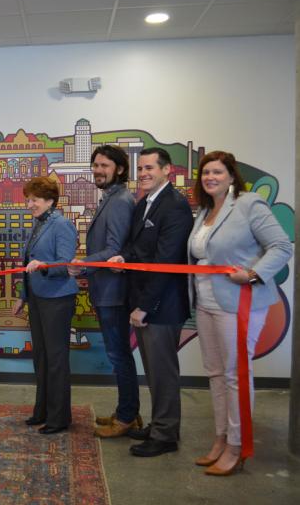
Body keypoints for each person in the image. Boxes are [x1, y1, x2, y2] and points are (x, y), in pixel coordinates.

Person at [187, 151, 291, 476]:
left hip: (239, 303)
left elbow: (282, 246)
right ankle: (220, 439)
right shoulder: (204, 211)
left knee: (235, 375)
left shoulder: (247, 205)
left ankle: (237, 445)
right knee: (216, 374)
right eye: (206, 173)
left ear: (232, 176)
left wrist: (253, 273)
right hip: (205, 302)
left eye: (217, 172)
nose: (210, 178)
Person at [108, 147, 193, 457]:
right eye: (140, 168)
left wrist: (144, 306)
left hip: (161, 305)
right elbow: (139, 249)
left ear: (166, 170)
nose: (143, 173)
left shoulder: (175, 206)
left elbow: (165, 262)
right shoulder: (146, 202)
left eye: (149, 168)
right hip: (147, 302)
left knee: (163, 372)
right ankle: (160, 424)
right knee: (154, 371)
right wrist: (123, 257)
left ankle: (165, 435)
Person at [68, 145, 141, 438]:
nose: (97, 170)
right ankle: (127, 412)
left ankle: (126, 417)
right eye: (95, 165)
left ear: (120, 169)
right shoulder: (110, 198)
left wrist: (82, 264)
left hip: (113, 291)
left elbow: (114, 250)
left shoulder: (121, 200)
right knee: (118, 354)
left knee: (118, 354)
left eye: (104, 165)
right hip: (105, 289)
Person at [12, 177, 78, 434]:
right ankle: (42, 410)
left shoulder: (62, 225)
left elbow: (65, 265)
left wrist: (44, 267)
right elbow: (28, 263)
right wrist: (23, 296)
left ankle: (59, 417)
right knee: (41, 357)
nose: (29, 204)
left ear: (50, 200)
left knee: (56, 359)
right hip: (38, 298)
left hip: (57, 298)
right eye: (28, 199)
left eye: (34, 199)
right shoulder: (38, 224)